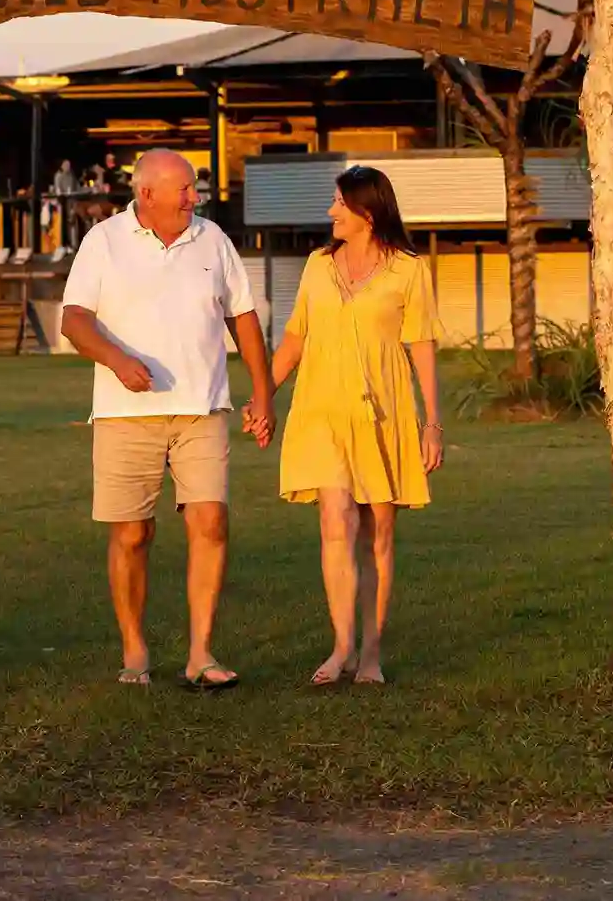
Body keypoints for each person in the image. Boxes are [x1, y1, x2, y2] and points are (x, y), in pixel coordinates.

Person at [59, 148, 276, 690]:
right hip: (124, 415)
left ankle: (201, 653)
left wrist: (264, 394)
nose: (194, 197)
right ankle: (135, 649)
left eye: (194, 187)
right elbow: (74, 320)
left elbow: (244, 319)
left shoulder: (214, 241)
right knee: (133, 534)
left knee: (211, 521)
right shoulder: (102, 242)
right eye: (183, 189)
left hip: (201, 410)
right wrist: (117, 360)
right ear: (146, 193)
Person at [269, 164, 443, 686]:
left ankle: (370, 654)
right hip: (321, 407)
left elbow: (422, 347)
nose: (331, 212)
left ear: (367, 212)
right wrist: (262, 396)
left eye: (340, 204)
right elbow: (296, 338)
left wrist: (432, 424)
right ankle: (341, 645)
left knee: (378, 533)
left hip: (383, 412)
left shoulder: (409, 271)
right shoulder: (318, 265)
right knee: (335, 518)